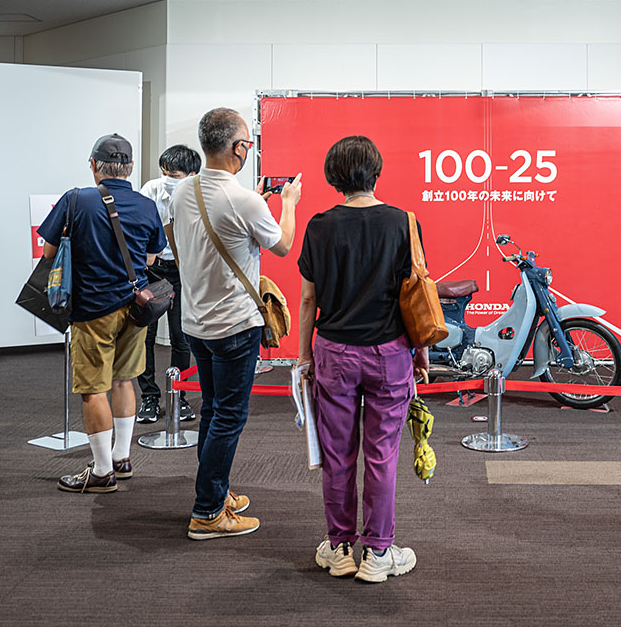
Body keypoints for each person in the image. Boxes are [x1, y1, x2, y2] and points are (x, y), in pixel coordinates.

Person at [297, 135, 429, 583]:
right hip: (389, 353)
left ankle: (339, 549)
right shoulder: (402, 222)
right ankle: (377, 553)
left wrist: (302, 357)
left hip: (333, 352)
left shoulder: (318, 226)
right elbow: (417, 295)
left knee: (337, 456)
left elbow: (308, 299)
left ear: (334, 176)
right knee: (381, 455)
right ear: (377, 170)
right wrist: (422, 353)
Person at [171, 108, 301, 540]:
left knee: (212, 410)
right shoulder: (244, 200)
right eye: (248, 143)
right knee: (229, 416)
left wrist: (258, 203)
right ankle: (207, 512)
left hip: (195, 324)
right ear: (238, 148)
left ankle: (216, 491)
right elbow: (282, 245)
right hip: (233, 327)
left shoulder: (183, 191)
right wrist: (287, 204)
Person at [39, 133, 166, 493]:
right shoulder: (145, 205)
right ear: (129, 168)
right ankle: (122, 458)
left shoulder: (75, 199)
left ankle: (101, 471)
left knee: (93, 390)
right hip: (136, 308)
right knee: (124, 381)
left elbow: (49, 253)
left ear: (94, 166)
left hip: (92, 309)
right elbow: (151, 259)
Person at [136, 145, 202, 424]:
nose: (167, 178)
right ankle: (149, 398)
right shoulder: (150, 190)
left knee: (180, 336)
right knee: (145, 336)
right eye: (164, 172)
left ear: (191, 174)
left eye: (173, 174)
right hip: (151, 270)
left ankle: (179, 397)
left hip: (183, 271)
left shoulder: (199, 193)